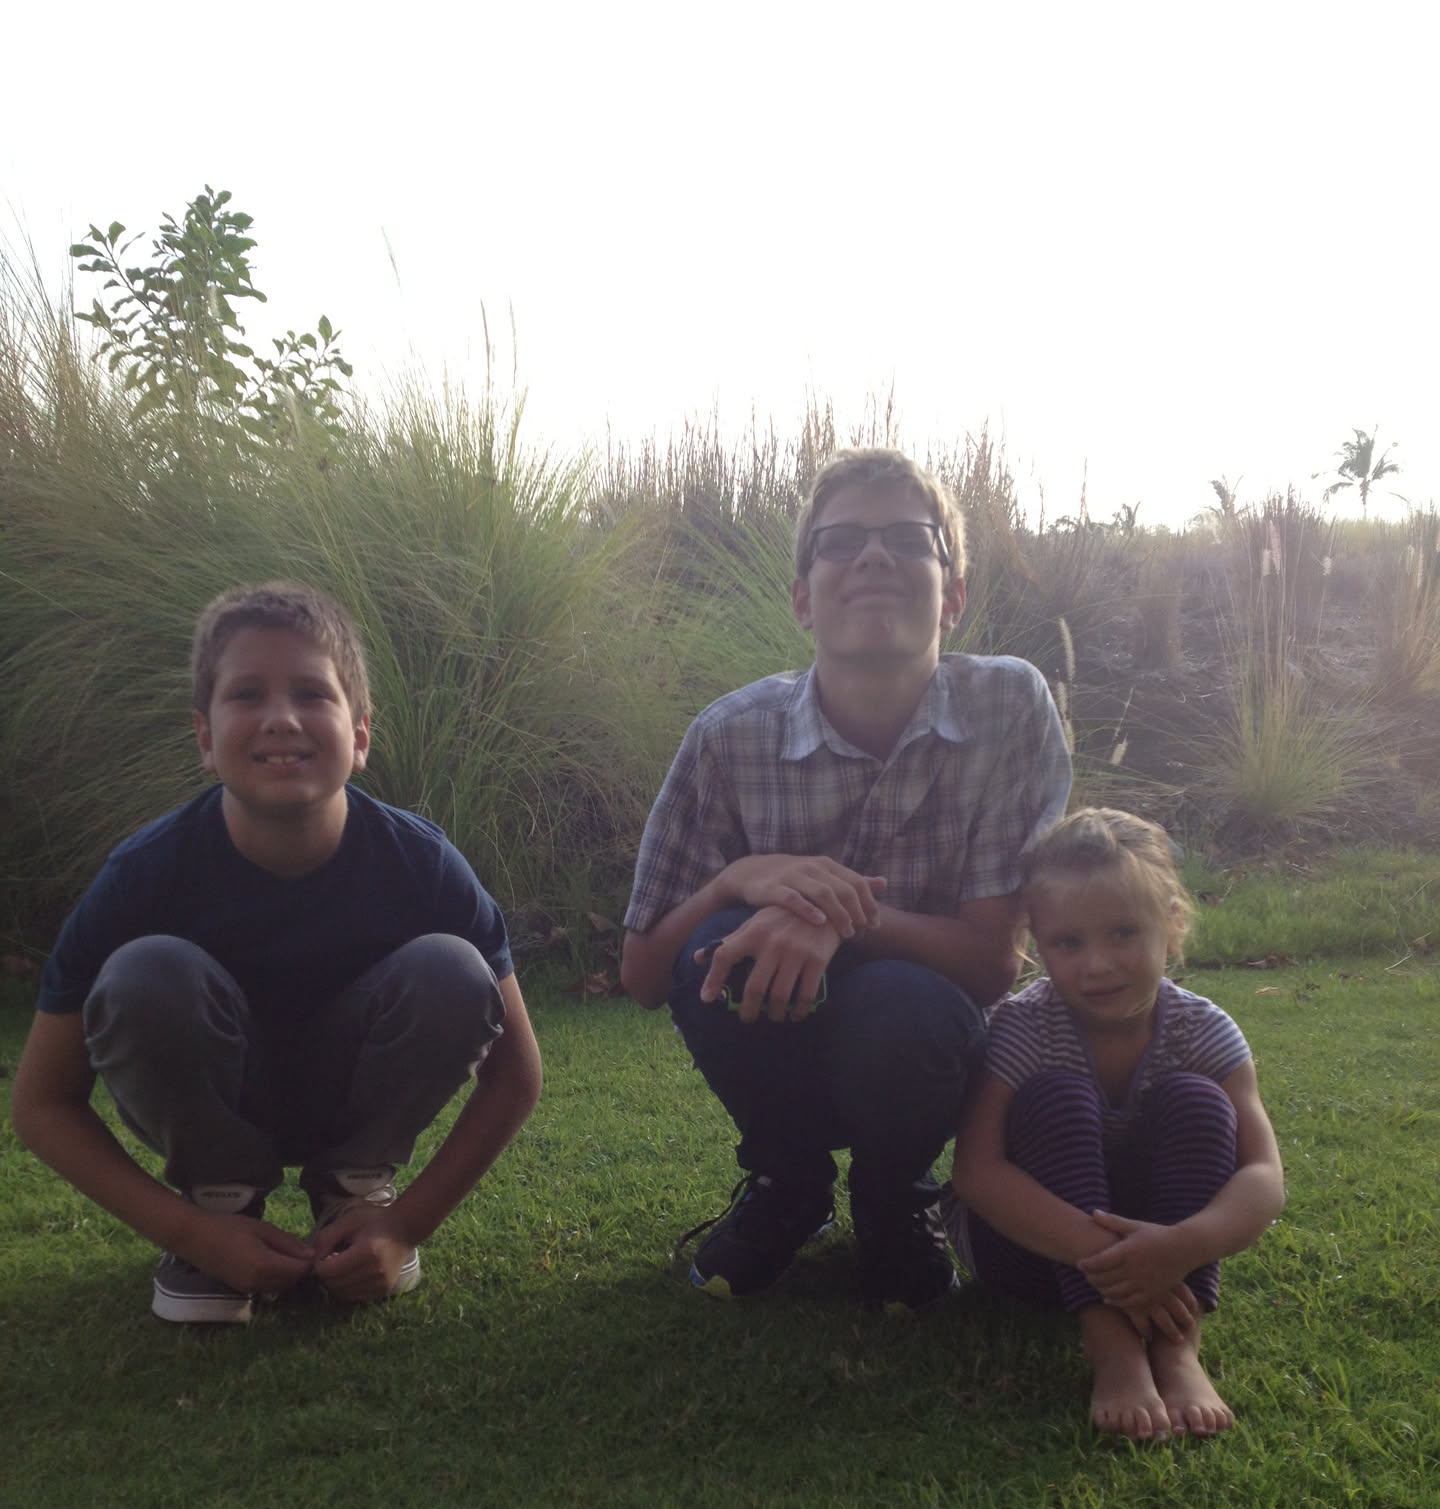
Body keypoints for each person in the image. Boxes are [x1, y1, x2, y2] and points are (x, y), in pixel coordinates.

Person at [11, 582, 543, 1325]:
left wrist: (405, 1225)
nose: (282, 718)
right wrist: (189, 1231)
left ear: (360, 734)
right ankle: (220, 1205)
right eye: (247, 694)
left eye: (312, 693)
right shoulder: (143, 875)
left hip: (355, 1098)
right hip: (217, 1103)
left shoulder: (422, 865)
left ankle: (356, 1195)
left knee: (453, 968)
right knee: (146, 973)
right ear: (205, 737)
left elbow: (517, 1075)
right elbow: (41, 1104)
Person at [620, 449, 1071, 1311]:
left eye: (908, 538)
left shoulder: (1009, 708)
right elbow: (644, 975)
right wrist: (738, 881)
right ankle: (788, 1183)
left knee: (905, 1000)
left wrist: (837, 915)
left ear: (955, 595)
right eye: (841, 542)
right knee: (720, 945)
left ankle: (896, 1196)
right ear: (802, 599)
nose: (872, 556)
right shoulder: (728, 736)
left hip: (918, 1040)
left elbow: (990, 965)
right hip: (776, 1043)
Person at [946, 808, 1284, 1439]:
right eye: (1068, 943)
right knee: (1057, 1096)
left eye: (1123, 933)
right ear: (1036, 944)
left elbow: (1264, 1175)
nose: (1096, 965)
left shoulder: (1205, 1030)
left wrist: (1179, 1248)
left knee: (1198, 1099)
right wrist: (1118, 1261)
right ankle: (1114, 1348)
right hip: (1030, 1251)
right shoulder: (1023, 1027)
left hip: (1165, 1256)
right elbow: (977, 1173)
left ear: (1173, 927)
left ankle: (1177, 1350)